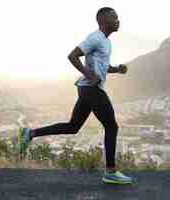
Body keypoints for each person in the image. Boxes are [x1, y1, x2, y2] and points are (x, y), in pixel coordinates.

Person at [18, 7, 132, 184]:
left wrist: (116, 69)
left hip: (87, 89)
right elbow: (73, 56)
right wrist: (89, 74)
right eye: (114, 18)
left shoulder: (106, 42)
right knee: (112, 126)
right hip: (91, 89)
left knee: (73, 126)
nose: (118, 21)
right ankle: (110, 171)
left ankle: (31, 133)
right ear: (103, 21)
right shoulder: (95, 37)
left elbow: (102, 67)